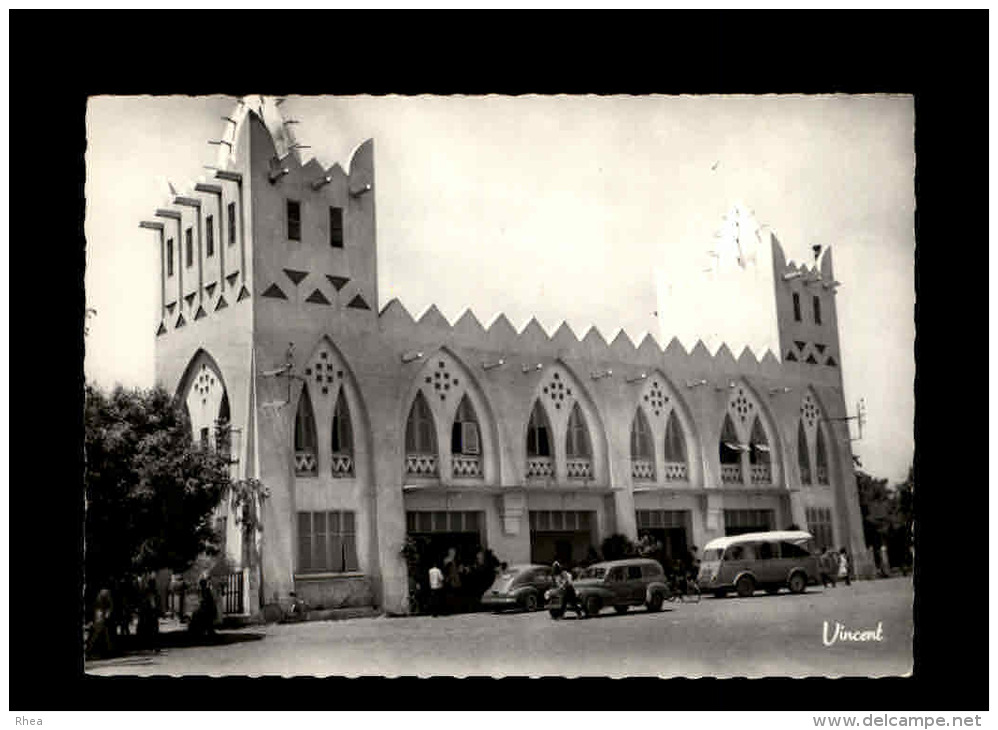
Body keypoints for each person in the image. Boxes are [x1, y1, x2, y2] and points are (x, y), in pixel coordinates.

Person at [136, 577, 161, 649]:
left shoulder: (153, 592)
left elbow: (157, 602)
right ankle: (151, 644)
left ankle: (153, 645)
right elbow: (145, 602)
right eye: (152, 584)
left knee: (153, 629)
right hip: (148, 612)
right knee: (151, 629)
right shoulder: (147, 592)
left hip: (152, 612)